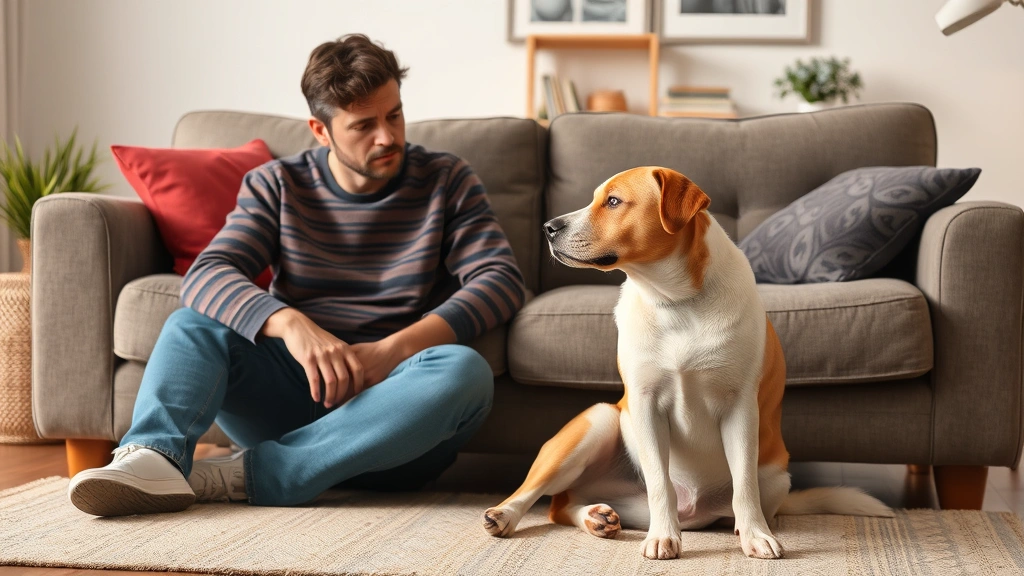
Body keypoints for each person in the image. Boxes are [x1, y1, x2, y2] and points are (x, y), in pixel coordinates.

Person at [67, 34, 526, 516]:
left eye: (394, 114)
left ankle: (256, 474)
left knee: (465, 370)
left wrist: (390, 353)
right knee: (193, 322)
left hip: (395, 417)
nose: (388, 137)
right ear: (321, 130)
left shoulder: (447, 179)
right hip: (291, 388)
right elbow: (208, 273)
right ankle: (153, 460)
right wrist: (292, 326)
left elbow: (499, 279)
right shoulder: (277, 184)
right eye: (363, 125)